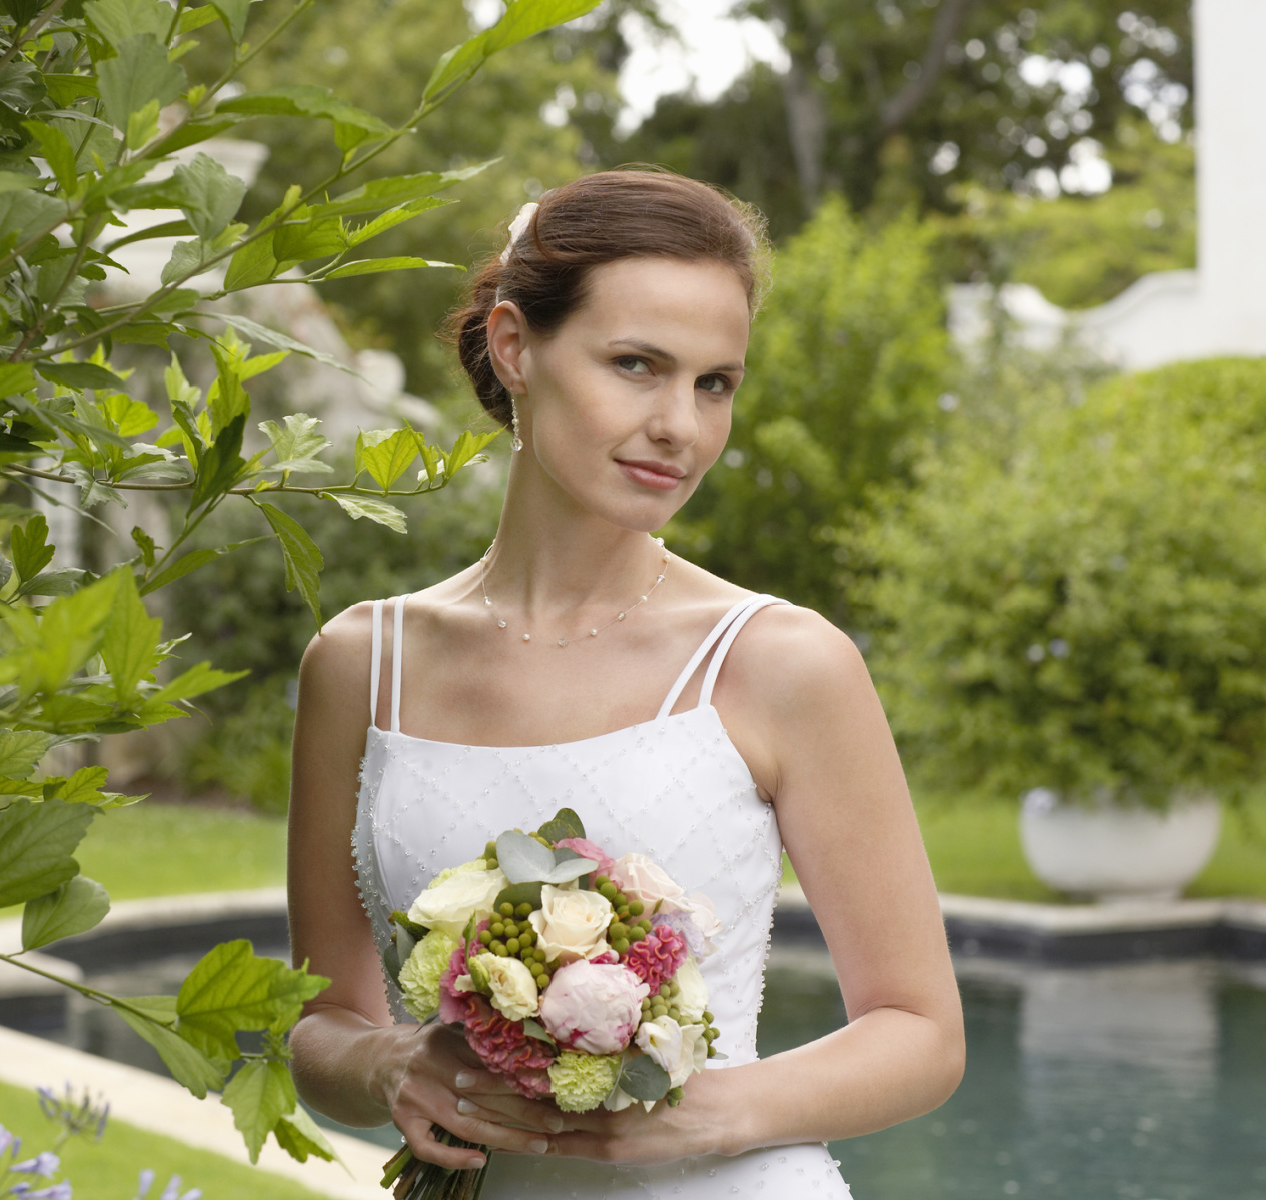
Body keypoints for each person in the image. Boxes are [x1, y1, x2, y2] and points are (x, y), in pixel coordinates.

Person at [286, 168, 964, 1198]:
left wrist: (702, 1115)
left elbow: (920, 1032)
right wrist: (389, 1066)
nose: (679, 428)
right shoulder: (360, 665)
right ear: (516, 348)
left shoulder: (782, 663)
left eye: (713, 383)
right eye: (636, 365)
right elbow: (319, 1027)